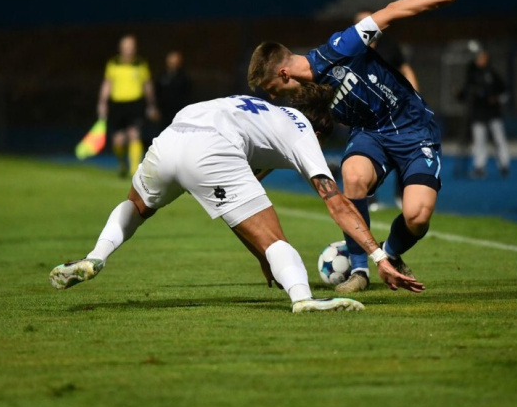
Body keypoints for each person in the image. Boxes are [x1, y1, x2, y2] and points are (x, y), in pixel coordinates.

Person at [49, 91, 425, 313]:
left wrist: (262, 257)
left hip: (173, 136)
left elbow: (238, 206)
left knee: (137, 204)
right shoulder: (301, 131)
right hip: (210, 149)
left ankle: (96, 255)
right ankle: (304, 299)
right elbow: (337, 202)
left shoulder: (261, 111)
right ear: (320, 127)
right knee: (276, 238)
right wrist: (379, 257)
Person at [247, 0, 458, 293]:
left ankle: (391, 254)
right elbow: (291, 142)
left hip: (413, 128)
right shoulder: (307, 99)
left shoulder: (340, 47)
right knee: (354, 176)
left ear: (284, 75)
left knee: (417, 217)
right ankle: (359, 271)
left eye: (273, 90)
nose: (275, 98)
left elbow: (390, 12)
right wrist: (255, 173)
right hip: (371, 132)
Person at [353, 9, 420, 210]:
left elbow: (405, 68)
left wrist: (414, 95)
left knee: (402, 151)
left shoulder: (389, 46)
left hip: (394, 110)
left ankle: (401, 194)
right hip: (365, 113)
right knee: (366, 155)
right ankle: (369, 198)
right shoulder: (351, 50)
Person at [97, 34, 159, 178]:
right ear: (121, 48)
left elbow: (147, 85)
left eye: (131, 47)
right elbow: (107, 83)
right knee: (118, 140)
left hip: (135, 104)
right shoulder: (113, 64)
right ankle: (122, 163)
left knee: (134, 134)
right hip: (117, 105)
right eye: (126, 47)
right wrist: (102, 102)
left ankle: (134, 172)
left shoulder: (140, 64)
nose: (129, 50)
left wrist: (151, 105)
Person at [456, 43, 510, 178]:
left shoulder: (492, 73)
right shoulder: (472, 74)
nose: (482, 60)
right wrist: (459, 94)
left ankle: (504, 164)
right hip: (478, 113)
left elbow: (504, 92)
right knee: (479, 140)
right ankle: (479, 166)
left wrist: (496, 99)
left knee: (499, 138)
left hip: (493, 112)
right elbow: (466, 92)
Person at [154, 49, 193, 128]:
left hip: (179, 111)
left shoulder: (184, 78)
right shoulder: (161, 76)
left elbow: (187, 94)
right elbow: (157, 92)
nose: (173, 62)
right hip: (164, 112)